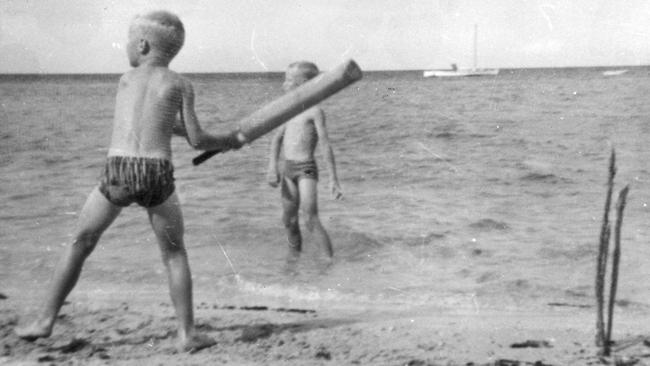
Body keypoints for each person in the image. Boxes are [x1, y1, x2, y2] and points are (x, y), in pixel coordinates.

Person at [14, 10, 245, 352]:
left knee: (81, 241)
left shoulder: (125, 79)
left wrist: (218, 140)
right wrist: (227, 140)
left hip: (118, 169)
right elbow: (196, 139)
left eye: (127, 41)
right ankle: (185, 334)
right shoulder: (181, 84)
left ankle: (46, 319)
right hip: (156, 172)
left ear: (141, 44)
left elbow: (145, 123)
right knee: (174, 253)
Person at [266, 61, 343, 261]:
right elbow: (276, 139)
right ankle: (294, 259)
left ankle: (328, 261)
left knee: (310, 217)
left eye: (289, 79)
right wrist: (272, 167)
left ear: (306, 83)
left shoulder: (314, 111)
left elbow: (325, 145)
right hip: (288, 170)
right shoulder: (288, 110)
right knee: (289, 220)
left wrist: (333, 179)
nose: (284, 84)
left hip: (306, 169)